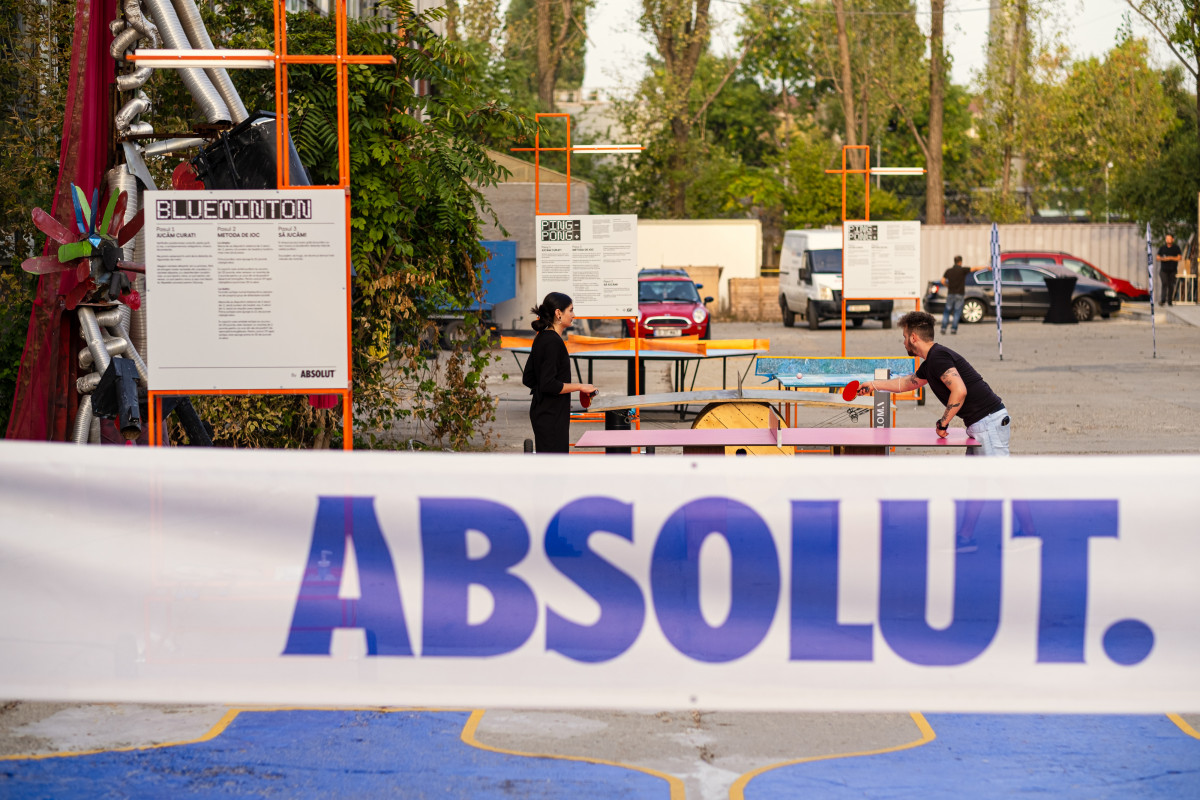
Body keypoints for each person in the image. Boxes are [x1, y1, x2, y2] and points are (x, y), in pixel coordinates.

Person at [857, 310, 1010, 457]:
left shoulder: (938, 358)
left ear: (913, 338)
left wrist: (943, 423)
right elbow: (905, 384)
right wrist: (873, 385)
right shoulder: (931, 362)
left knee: (996, 475)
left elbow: (959, 391)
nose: (904, 342)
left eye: (905, 337)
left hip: (988, 422)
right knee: (978, 475)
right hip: (982, 423)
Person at [522, 292, 596, 453]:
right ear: (558, 313)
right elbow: (548, 384)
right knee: (555, 465)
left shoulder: (541, 337)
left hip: (543, 412)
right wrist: (580, 387)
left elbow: (528, 378)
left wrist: (545, 395)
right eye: (571, 310)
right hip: (551, 416)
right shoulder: (553, 342)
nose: (574, 315)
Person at [940, 255, 971, 334]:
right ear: (960, 262)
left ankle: (943, 328)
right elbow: (975, 268)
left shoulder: (949, 270)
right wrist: (986, 267)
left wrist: (948, 286)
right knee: (957, 311)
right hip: (960, 294)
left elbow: (942, 281)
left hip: (951, 293)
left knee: (947, 311)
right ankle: (953, 329)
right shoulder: (963, 270)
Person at [1157, 233, 1182, 306]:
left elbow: (1179, 258)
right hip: (1163, 270)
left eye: (1169, 238)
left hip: (1172, 270)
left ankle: (1170, 300)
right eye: (1167, 238)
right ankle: (1163, 300)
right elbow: (1157, 257)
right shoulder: (1162, 248)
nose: (1168, 240)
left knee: (1171, 285)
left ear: (1172, 239)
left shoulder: (1176, 248)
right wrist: (1163, 259)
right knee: (1164, 283)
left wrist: (1170, 258)